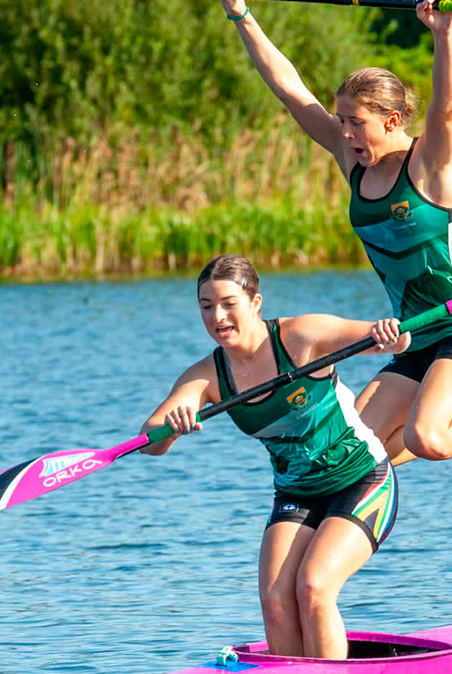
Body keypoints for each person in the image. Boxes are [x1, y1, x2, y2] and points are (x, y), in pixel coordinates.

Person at [218, 0, 452, 490]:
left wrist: (442, 33)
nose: (345, 133)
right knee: (351, 456)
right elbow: (290, 91)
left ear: (392, 120)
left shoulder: (428, 165)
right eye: (341, 121)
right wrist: (241, 14)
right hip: (414, 337)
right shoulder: (352, 162)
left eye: (356, 122)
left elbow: (445, 108)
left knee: (428, 438)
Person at [140, 254, 409, 659]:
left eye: (229, 303)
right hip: (296, 494)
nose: (218, 317)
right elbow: (150, 440)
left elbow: (398, 340)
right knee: (276, 603)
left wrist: (389, 332)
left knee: (313, 587)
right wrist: (170, 427)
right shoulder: (207, 376)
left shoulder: (300, 336)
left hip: (362, 480)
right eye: (206, 307)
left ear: (255, 303)